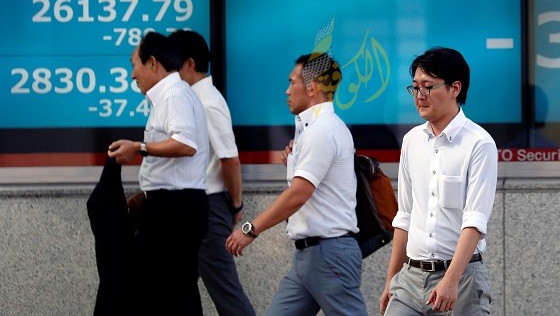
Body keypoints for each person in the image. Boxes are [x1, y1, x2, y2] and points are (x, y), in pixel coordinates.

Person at [225, 52, 367, 316]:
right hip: (308, 256)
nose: (287, 90)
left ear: (311, 87)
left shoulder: (322, 131)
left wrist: (250, 228)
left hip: (329, 255)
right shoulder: (313, 130)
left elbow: (299, 193)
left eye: (292, 82)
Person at [380, 47, 498, 315]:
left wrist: (451, 280)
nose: (419, 96)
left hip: (462, 279)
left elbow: (475, 221)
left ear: (455, 88)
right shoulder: (411, 141)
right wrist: (391, 280)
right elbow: (405, 215)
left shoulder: (479, 143)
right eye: (415, 88)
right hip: (410, 279)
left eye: (428, 87)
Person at [107, 31, 209, 316]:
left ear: (152, 63)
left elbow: (185, 144)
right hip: (171, 206)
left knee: (172, 292)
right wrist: (146, 194)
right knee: (172, 292)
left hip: (176, 209)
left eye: (134, 64)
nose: (132, 75)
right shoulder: (169, 96)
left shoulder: (174, 94)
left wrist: (139, 148)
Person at [169, 29, 255, 316]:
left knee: (227, 294)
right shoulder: (192, 99)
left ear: (190, 64)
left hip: (209, 208)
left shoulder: (207, 102)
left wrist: (236, 206)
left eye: (174, 65)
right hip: (195, 207)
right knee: (176, 291)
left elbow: (230, 159)